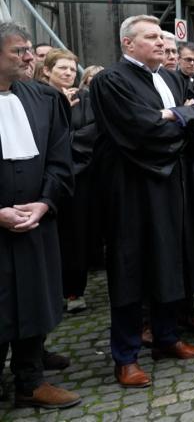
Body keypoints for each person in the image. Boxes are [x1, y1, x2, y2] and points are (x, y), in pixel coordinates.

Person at [90, 15, 194, 388]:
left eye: (164, 39)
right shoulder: (110, 81)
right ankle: (126, 356)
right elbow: (139, 129)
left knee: (170, 259)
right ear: (127, 44)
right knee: (132, 268)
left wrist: (174, 117)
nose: (162, 44)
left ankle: (167, 338)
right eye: (151, 38)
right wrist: (178, 118)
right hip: (134, 186)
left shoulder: (169, 77)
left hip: (174, 183)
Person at [0, 23, 80, 409]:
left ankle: (30, 381)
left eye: (30, 49)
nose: (31, 58)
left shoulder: (45, 99)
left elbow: (60, 159)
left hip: (35, 223)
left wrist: (45, 202)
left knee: (33, 302)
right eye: (20, 51)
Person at [40, 49, 98, 314]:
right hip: (44, 180)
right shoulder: (38, 98)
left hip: (78, 178)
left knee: (77, 236)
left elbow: (91, 132)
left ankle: (75, 290)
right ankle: (50, 293)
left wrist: (63, 146)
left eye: (72, 69)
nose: (68, 73)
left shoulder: (85, 99)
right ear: (47, 71)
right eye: (62, 68)